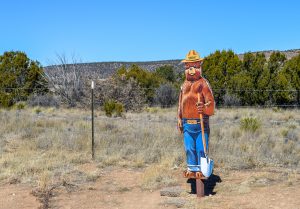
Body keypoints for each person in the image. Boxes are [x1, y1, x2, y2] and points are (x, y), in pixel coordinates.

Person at [177, 50, 215, 177]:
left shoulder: (203, 84)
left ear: (200, 66)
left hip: (200, 124)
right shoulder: (183, 85)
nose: (191, 70)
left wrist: (204, 108)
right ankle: (191, 169)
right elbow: (180, 103)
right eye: (188, 67)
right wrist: (179, 118)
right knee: (189, 148)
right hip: (187, 123)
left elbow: (211, 104)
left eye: (194, 66)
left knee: (201, 148)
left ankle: (201, 170)